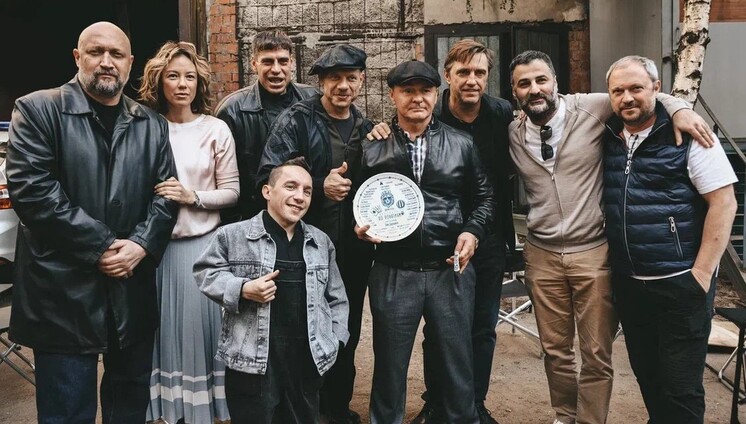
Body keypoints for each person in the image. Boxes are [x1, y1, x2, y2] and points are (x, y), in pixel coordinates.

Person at [508, 50, 715, 424]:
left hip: (593, 251)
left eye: (541, 80)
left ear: (555, 82)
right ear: (514, 92)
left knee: (596, 352)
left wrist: (680, 108)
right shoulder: (513, 132)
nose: (534, 89)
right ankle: (564, 416)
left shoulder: (591, 107)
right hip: (541, 253)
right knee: (555, 350)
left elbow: (642, 93)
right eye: (524, 83)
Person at [6, 21, 177, 423]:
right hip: (62, 293)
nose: (106, 62)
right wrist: (102, 246)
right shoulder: (37, 110)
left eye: (116, 54)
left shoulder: (151, 123)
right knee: (67, 410)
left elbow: (167, 195)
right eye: (96, 52)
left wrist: (141, 245)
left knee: (129, 405)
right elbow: (33, 192)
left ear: (130, 62)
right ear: (77, 57)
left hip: (130, 287)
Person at [355, 59, 494, 424]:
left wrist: (472, 231)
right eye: (408, 91)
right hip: (393, 269)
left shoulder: (461, 143)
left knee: (456, 364)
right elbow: (356, 200)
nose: (417, 98)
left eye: (425, 91)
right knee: (389, 366)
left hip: (449, 269)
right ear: (392, 95)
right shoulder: (371, 146)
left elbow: (485, 198)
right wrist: (359, 227)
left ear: (436, 94)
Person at [602, 55, 737, 424]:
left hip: (680, 284)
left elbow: (724, 203)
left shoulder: (690, 135)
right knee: (649, 378)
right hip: (630, 285)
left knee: (681, 389)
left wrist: (701, 275)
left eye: (636, 88)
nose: (627, 98)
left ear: (656, 89)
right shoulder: (608, 134)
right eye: (618, 91)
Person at [257, 44, 373, 424]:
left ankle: (336, 408)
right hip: (302, 248)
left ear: (362, 81)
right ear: (321, 82)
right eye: (334, 78)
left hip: (354, 250)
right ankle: (300, 411)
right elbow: (268, 177)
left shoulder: (368, 129)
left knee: (345, 328)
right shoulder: (296, 120)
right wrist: (320, 186)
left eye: (351, 78)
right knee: (301, 329)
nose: (343, 86)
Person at [193, 157, 349, 423]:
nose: (299, 197)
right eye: (290, 186)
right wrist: (243, 288)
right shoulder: (233, 235)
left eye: (307, 191)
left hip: (306, 362)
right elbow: (205, 272)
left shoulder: (320, 241)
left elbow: (337, 299)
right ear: (267, 191)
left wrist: (335, 339)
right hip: (253, 365)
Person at [138, 41, 239, 423]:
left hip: (203, 249)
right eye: (173, 76)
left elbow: (232, 192)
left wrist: (191, 196)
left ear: (199, 83)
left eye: (190, 77)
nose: (182, 84)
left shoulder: (216, 129)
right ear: (158, 81)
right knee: (162, 333)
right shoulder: (144, 126)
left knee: (201, 336)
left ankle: (205, 411)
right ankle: (167, 410)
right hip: (156, 252)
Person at [215, 30, 317, 223]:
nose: (276, 69)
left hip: (307, 218)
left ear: (292, 62)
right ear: (254, 64)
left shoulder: (313, 100)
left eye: (283, 61)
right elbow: (223, 177)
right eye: (268, 62)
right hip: (254, 218)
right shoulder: (232, 110)